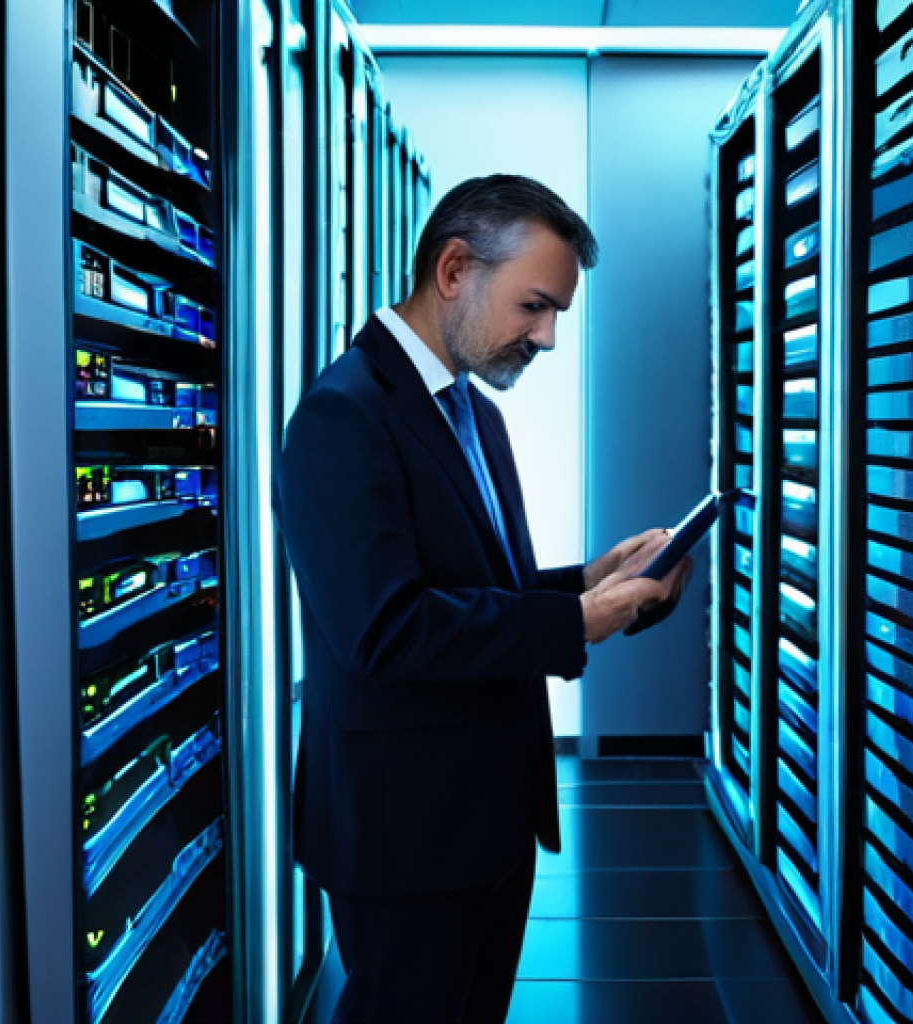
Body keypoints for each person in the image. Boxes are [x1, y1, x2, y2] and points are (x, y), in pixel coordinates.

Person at [273, 174, 692, 1023]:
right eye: (535, 306)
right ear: (455, 269)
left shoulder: (471, 409)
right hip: (406, 833)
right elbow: (387, 631)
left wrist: (589, 579)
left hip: (488, 816)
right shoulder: (342, 415)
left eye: (558, 316)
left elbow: (470, 591)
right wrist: (576, 620)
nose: (546, 338)